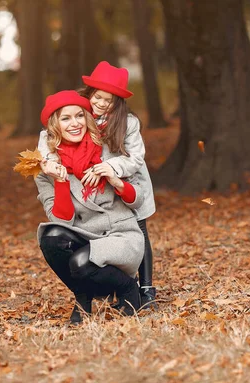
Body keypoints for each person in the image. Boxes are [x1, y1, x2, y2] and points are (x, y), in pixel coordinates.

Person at [38, 61, 158, 309]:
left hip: (127, 175)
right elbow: (49, 134)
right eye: (98, 97)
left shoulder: (127, 122)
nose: (102, 104)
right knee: (99, 231)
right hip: (94, 184)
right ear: (89, 93)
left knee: (138, 229)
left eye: (109, 100)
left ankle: (146, 288)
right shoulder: (79, 112)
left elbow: (135, 157)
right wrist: (50, 163)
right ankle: (110, 282)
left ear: (118, 102)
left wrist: (112, 170)